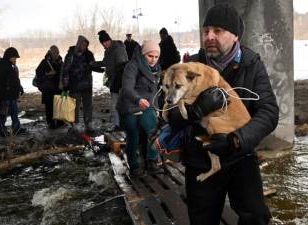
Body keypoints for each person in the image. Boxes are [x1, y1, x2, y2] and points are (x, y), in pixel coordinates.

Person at [165, 4, 279, 224]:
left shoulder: (251, 64)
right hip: (201, 159)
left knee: (256, 217)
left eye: (217, 31)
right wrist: (196, 109)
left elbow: (269, 112)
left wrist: (237, 140)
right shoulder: (188, 67)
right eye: (206, 30)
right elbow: (169, 115)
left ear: (235, 35)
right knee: (202, 219)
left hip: (241, 157)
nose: (209, 37)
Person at [116, 40, 162, 177]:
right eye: (150, 56)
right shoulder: (132, 65)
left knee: (153, 131)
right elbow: (126, 89)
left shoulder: (156, 69)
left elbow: (154, 92)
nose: (153, 60)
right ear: (143, 54)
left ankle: (152, 161)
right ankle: (134, 165)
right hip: (130, 104)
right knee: (134, 134)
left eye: (156, 57)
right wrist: (138, 99)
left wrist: (157, 110)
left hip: (147, 105)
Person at [60, 35, 103, 133]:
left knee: (88, 106)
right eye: (83, 44)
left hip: (87, 85)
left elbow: (93, 64)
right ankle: (75, 125)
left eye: (86, 45)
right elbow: (65, 70)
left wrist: (100, 68)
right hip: (74, 86)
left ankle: (88, 124)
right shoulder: (71, 54)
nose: (84, 46)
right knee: (74, 107)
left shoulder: (89, 54)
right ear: (78, 44)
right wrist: (65, 84)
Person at [93, 30, 128, 131]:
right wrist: (93, 64)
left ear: (108, 40)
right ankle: (118, 125)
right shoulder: (108, 51)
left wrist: (117, 80)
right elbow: (105, 62)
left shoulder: (118, 49)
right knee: (115, 105)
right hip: (114, 81)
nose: (103, 45)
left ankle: (121, 125)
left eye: (104, 43)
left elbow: (122, 66)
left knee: (117, 105)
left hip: (120, 82)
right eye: (102, 43)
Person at [0, 47, 26, 137]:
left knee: (14, 112)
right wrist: (1, 96)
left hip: (12, 95)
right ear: (9, 57)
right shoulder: (2, 67)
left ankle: (16, 128)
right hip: (5, 95)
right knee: (3, 114)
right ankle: (2, 131)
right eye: (14, 57)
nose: (15, 59)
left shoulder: (10, 66)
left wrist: (20, 88)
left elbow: (14, 80)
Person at [35, 45, 64, 129]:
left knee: (58, 106)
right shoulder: (44, 62)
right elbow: (38, 72)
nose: (56, 54)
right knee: (49, 107)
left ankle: (59, 122)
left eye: (57, 53)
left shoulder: (61, 62)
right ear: (50, 53)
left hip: (58, 88)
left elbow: (64, 74)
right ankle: (50, 123)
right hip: (47, 89)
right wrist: (48, 74)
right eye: (54, 53)